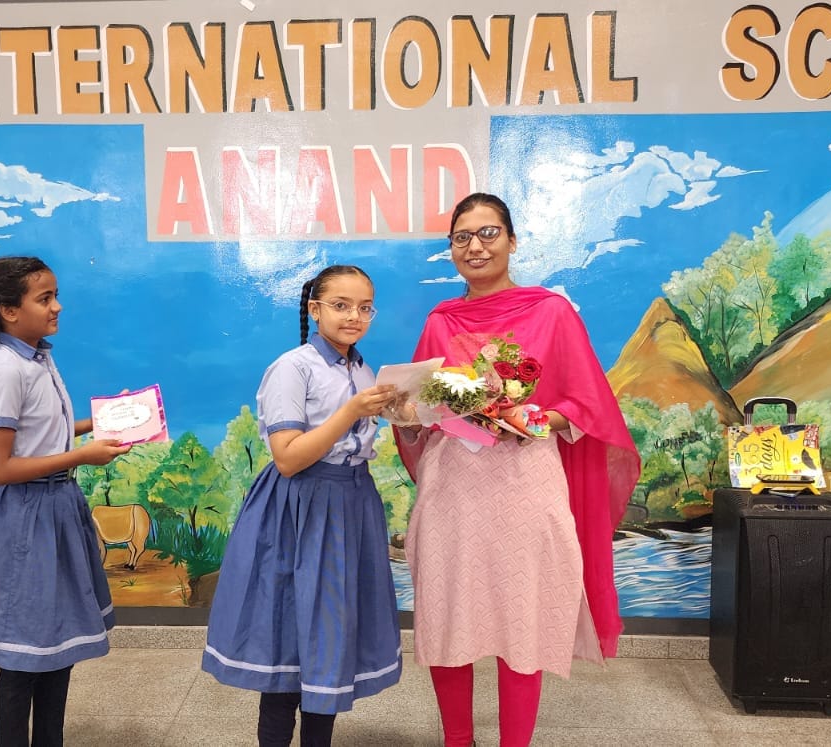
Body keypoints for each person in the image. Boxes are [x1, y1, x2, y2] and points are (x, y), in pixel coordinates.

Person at [394, 193, 641, 746]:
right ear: (451, 249)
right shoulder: (441, 321)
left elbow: (589, 404)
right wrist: (406, 414)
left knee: (523, 616)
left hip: (526, 483)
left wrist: (536, 417)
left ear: (512, 240)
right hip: (452, 487)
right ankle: (457, 739)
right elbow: (422, 413)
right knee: (447, 613)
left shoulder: (551, 312)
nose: (475, 247)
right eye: (462, 237)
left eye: (488, 233)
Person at [202, 265, 403, 746]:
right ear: (314, 309)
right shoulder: (292, 367)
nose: (354, 317)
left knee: (332, 640)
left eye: (365, 308)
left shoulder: (361, 368)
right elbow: (288, 458)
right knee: (288, 640)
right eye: (340, 305)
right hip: (299, 507)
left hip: (351, 503)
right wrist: (351, 411)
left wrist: (406, 412)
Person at [0, 256, 130, 746]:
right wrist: (81, 455)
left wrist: (105, 420)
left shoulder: (37, 358)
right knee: (24, 658)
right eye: (45, 298)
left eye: (55, 295)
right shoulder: (6, 371)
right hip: (26, 520)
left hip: (55, 510)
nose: (57, 306)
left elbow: (40, 434)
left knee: (57, 650)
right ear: (8, 311)